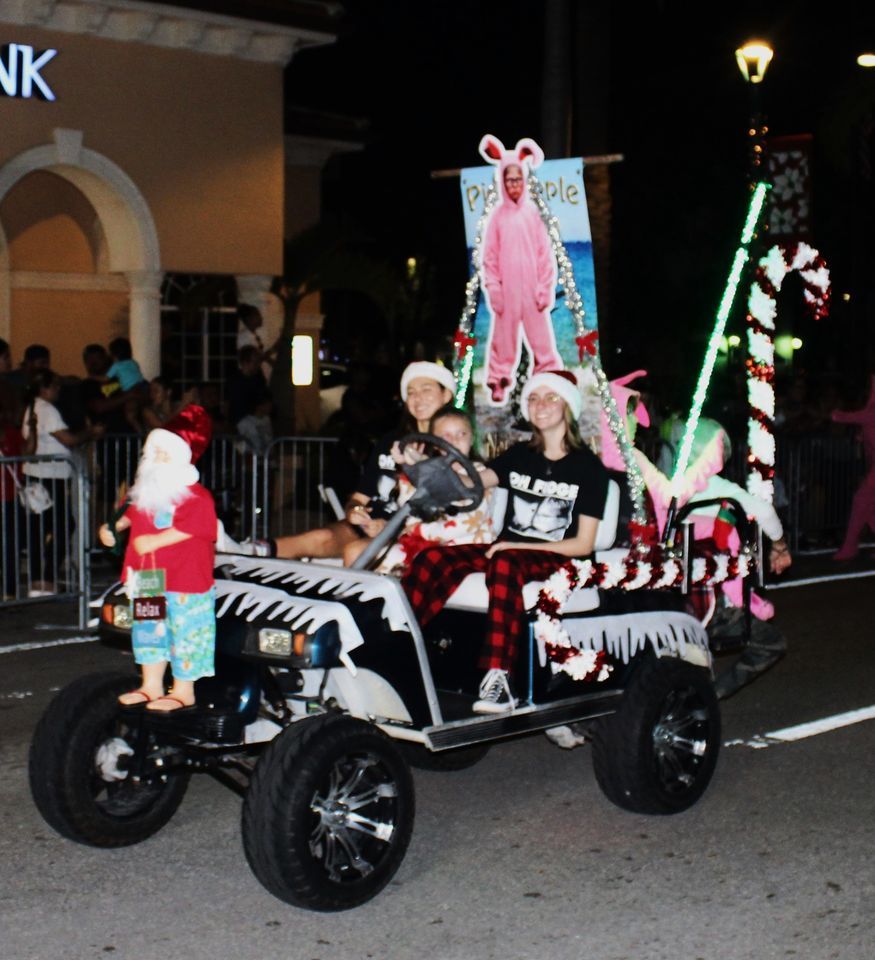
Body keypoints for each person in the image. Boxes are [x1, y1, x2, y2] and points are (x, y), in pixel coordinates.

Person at [403, 370, 609, 714]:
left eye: (550, 398)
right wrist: (424, 472)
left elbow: (583, 545)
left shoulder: (588, 468)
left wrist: (517, 548)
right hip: (510, 551)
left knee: (504, 561)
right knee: (433, 559)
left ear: (568, 407)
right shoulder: (519, 456)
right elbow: (472, 482)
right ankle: (402, 646)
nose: (540, 405)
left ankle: (501, 677)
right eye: (533, 398)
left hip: (558, 558)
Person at [633, 417, 792, 699]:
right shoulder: (721, 489)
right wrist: (779, 545)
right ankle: (712, 693)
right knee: (771, 643)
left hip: (659, 591)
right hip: (708, 599)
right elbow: (766, 514)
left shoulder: (661, 486)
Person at [265, 361, 457, 562]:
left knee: (356, 551)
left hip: (410, 536)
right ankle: (248, 551)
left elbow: (447, 512)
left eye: (426, 389)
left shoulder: (451, 447)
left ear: (446, 395)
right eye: (411, 392)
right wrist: (354, 510)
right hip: (367, 526)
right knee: (319, 537)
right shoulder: (391, 442)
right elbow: (359, 497)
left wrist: (389, 527)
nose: (418, 398)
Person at [99, 425, 217, 712]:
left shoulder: (196, 497)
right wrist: (111, 528)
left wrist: (156, 540)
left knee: (186, 631)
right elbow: (125, 519)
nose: (158, 459)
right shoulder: (146, 496)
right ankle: (151, 684)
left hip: (185, 579)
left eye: (165, 453)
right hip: (148, 578)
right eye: (155, 452)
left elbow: (200, 527)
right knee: (148, 630)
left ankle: (183, 689)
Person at [346, 405, 498, 573]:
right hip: (425, 547)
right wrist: (411, 466)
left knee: (424, 562)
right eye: (446, 436)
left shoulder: (482, 476)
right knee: (374, 560)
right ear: (436, 442)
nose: (454, 441)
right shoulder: (426, 471)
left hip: (466, 548)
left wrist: (416, 530)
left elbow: (464, 525)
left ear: (471, 438)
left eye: (461, 434)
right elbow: (407, 508)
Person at [479, 136, 562, 404]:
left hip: (532, 289)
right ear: (502, 182)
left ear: (524, 181)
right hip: (506, 291)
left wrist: (545, 286)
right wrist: (493, 289)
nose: (513, 185)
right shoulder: (497, 218)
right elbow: (489, 257)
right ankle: (498, 381)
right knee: (503, 340)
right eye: (508, 180)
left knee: (542, 339)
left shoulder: (533, 214)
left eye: (517, 179)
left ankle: (547, 378)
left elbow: (544, 254)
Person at [20, 369, 104, 595]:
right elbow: (67, 439)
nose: (58, 390)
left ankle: (39, 579)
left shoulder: (32, 407)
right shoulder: (47, 410)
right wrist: (90, 432)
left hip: (38, 474)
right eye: (55, 386)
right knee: (64, 525)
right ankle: (45, 577)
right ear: (45, 388)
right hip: (49, 476)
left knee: (41, 528)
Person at [832, 375, 875, 561]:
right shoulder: (869, 413)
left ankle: (849, 546)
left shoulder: (869, 414)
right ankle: (850, 546)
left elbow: (838, 417)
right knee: (868, 507)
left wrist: (829, 410)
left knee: (861, 501)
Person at [227, 345, 273, 454]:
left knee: (268, 441)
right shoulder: (235, 380)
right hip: (243, 418)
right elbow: (236, 404)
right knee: (254, 442)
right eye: (255, 361)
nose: (258, 365)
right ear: (245, 362)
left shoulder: (258, 377)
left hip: (259, 416)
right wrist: (255, 410)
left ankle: (267, 460)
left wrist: (267, 405)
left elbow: (264, 394)